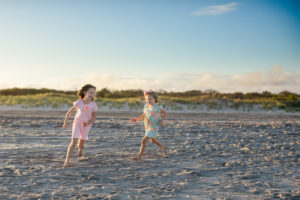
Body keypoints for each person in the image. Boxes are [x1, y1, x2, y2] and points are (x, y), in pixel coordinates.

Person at [62, 84, 98, 167]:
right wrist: (65, 122)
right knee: (73, 142)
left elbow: (94, 118)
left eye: (93, 93)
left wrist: (88, 123)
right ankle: (67, 161)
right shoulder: (79, 102)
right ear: (85, 92)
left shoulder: (93, 105)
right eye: (90, 92)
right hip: (77, 123)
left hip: (87, 124)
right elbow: (69, 112)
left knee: (81, 143)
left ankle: (80, 150)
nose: (92, 94)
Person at [130, 89, 167, 160]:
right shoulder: (146, 107)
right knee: (153, 140)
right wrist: (136, 119)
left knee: (143, 141)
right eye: (147, 99)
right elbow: (143, 116)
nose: (148, 101)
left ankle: (139, 156)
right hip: (147, 126)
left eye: (150, 99)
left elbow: (164, 113)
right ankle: (163, 148)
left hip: (154, 127)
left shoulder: (158, 108)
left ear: (155, 99)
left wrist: (162, 120)